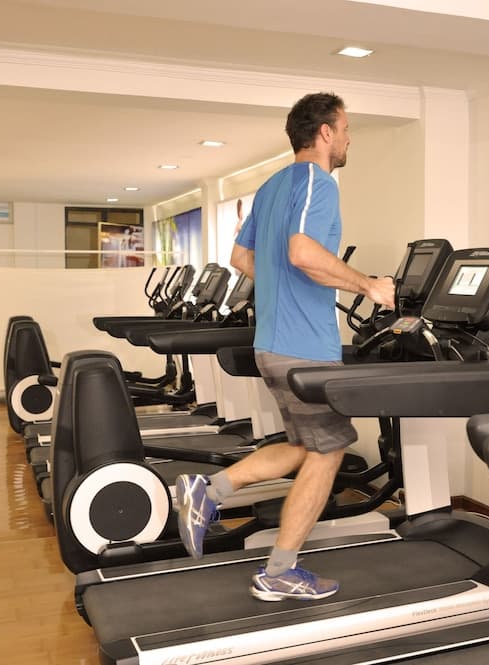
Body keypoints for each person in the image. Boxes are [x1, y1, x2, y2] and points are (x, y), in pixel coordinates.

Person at [175, 92, 396, 602]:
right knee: (330, 452)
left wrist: (286, 286)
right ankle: (279, 571)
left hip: (272, 344)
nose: (349, 138)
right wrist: (368, 286)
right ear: (325, 132)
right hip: (304, 348)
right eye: (345, 129)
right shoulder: (319, 181)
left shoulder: (272, 186)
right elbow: (302, 252)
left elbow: (240, 257)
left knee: (305, 447)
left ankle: (208, 492)